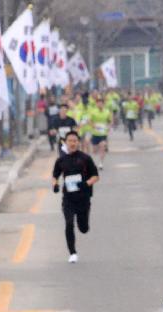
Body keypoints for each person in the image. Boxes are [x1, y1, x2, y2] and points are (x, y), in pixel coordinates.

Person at [51, 131, 99, 263]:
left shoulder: (85, 158)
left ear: (78, 142)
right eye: (70, 141)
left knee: (83, 228)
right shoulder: (61, 160)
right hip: (68, 199)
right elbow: (55, 175)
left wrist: (86, 184)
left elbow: (96, 176)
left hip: (83, 198)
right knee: (68, 223)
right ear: (65, 143)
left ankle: (84, 223)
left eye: (74, 141)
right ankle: (72, 253)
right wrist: (55, 185)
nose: (72, 143)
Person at [88, 97, 112, 170]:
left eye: (101, 103)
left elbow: (110, 121)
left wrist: (108, 127)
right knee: (95, 151)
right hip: (95, 133)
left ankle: (101, 163)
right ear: (96, 104)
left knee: (103, 146)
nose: (100, 104)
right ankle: (92, 162)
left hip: (103, 134)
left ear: (103, 104)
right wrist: (94, 126)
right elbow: (89, 121)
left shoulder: (107, 112)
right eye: (98, 103)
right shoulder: (93, 111)